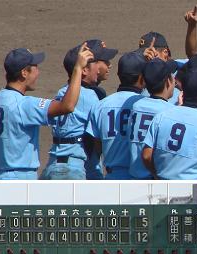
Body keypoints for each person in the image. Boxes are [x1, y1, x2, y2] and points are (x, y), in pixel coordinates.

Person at [0, 45, 93, 179]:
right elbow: (67, 106)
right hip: (21, 180)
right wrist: (78, 69)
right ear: (24, 72)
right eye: (35, 67)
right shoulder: (25, 105)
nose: (38, 72)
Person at [142, 66, 197, 179]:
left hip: (162, 183)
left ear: (182, 90)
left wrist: (157, 175)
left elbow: (147, 156)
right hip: (191, 187)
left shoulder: (162, 116)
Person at [41, 41, 106, 180]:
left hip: (53, 164)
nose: (98, 68)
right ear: (83, 70)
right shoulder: (89, 96)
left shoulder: (63, 91)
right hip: (72, 169)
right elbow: (99, 136)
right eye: (95, 64)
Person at [87, 51, 146, 179]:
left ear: (119, 75)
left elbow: (97, 147)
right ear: (142, 77)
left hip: (112, 178)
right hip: (140, 179)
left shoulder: (100, 105)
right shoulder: (145, 105)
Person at [128, 58, 176, 179]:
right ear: (168, 82)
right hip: (153, 176)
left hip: (133, 175)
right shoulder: (169, 111)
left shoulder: (136, 106)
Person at [81, 39, 118, 180]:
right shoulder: (95, 95)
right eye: (105, 60)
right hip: (86, 168)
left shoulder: (66, 91)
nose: (109, 64)